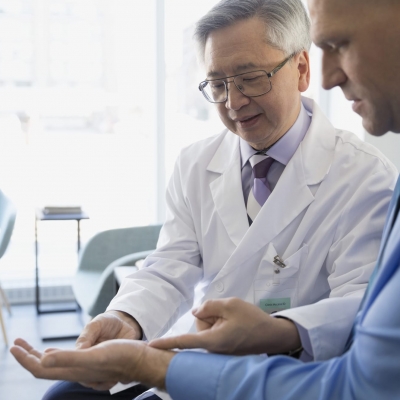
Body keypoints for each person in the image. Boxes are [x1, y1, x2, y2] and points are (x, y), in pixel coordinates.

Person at [10, 0, 400, 399]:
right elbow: (170, 265)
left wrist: (283, 329)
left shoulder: (365, 177)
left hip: (288, 377)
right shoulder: (196, 163)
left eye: (250, 78)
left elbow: (360, 305)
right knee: (65, 394)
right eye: (218, 85)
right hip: (198, 361)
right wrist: (126, 318)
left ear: (300, 70)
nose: (233, 102)